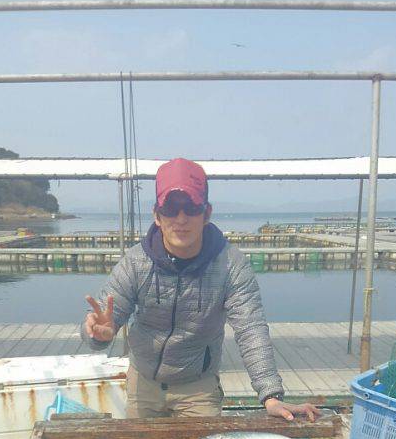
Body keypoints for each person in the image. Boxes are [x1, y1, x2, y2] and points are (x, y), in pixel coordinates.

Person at [83, 157, 320, 421]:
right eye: (171, 208)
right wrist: (99, 334)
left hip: (198, 388)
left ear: (206, 213)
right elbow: (104, 320)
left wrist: (271, 395)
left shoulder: (231, 265)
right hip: (143, 383)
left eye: (191, 207)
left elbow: (251, 329)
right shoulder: (135, 262)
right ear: (157, 215)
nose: (181, 218)